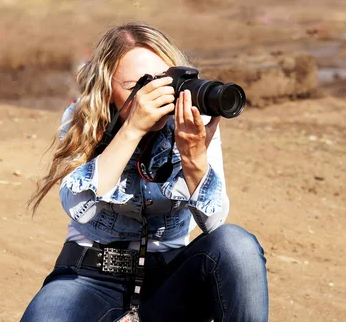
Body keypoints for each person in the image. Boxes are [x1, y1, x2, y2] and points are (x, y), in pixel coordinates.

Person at [22, 22, 268, 322]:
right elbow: (78, 209)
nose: (153, 95)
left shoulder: (192, 121)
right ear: (106, 88)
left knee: (237, 244)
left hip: (170, 281)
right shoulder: (84, 116)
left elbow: (215, 223)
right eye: (137, 86)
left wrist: (193, 158)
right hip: (89, 276)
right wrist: (131, 130)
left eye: (162, 81)